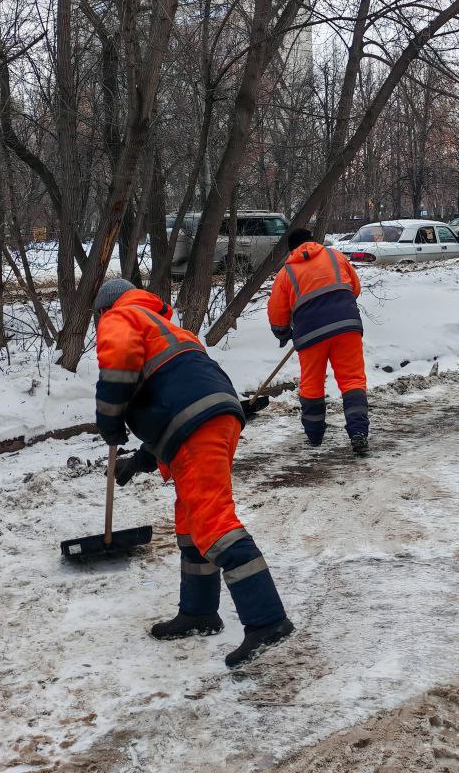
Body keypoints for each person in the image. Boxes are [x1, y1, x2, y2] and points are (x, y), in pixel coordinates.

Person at [93, 277, 293, 668]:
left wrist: (110, 421)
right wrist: (142, 459)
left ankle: (268, 620)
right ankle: (199, 612)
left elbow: (117, 366)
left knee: (212, 520)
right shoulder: (166, 327)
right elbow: (176, 400)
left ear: (104, 309)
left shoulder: (122, 316)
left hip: (199, 424)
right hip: (210, 417)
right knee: (189, 520)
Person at [267, 228, 370, 454]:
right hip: (347, 327)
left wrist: (283, 332)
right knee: (352, 380)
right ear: (313, 241)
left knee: (312, 384)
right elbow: (355, 288)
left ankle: (314, 436)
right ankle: (359, 432)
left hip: (310, 334)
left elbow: (277, 314)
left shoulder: (286, 274)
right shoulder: (335, 256)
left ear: (291, 249)